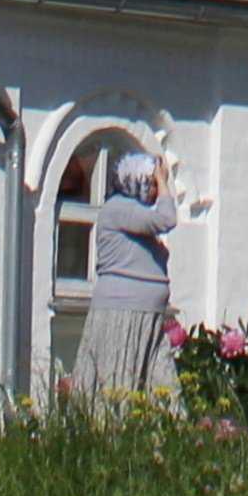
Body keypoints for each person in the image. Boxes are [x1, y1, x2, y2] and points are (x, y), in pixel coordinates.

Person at [65, 143, 183, 402]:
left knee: (164, 389)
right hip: (124, 313)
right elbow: (167, 219)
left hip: (147, 316)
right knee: (119, 388)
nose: (156, 190)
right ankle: (113, 440)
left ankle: (169, 439)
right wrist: (163, 184)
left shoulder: (133, 215)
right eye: (152, 183)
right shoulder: (118, 208)